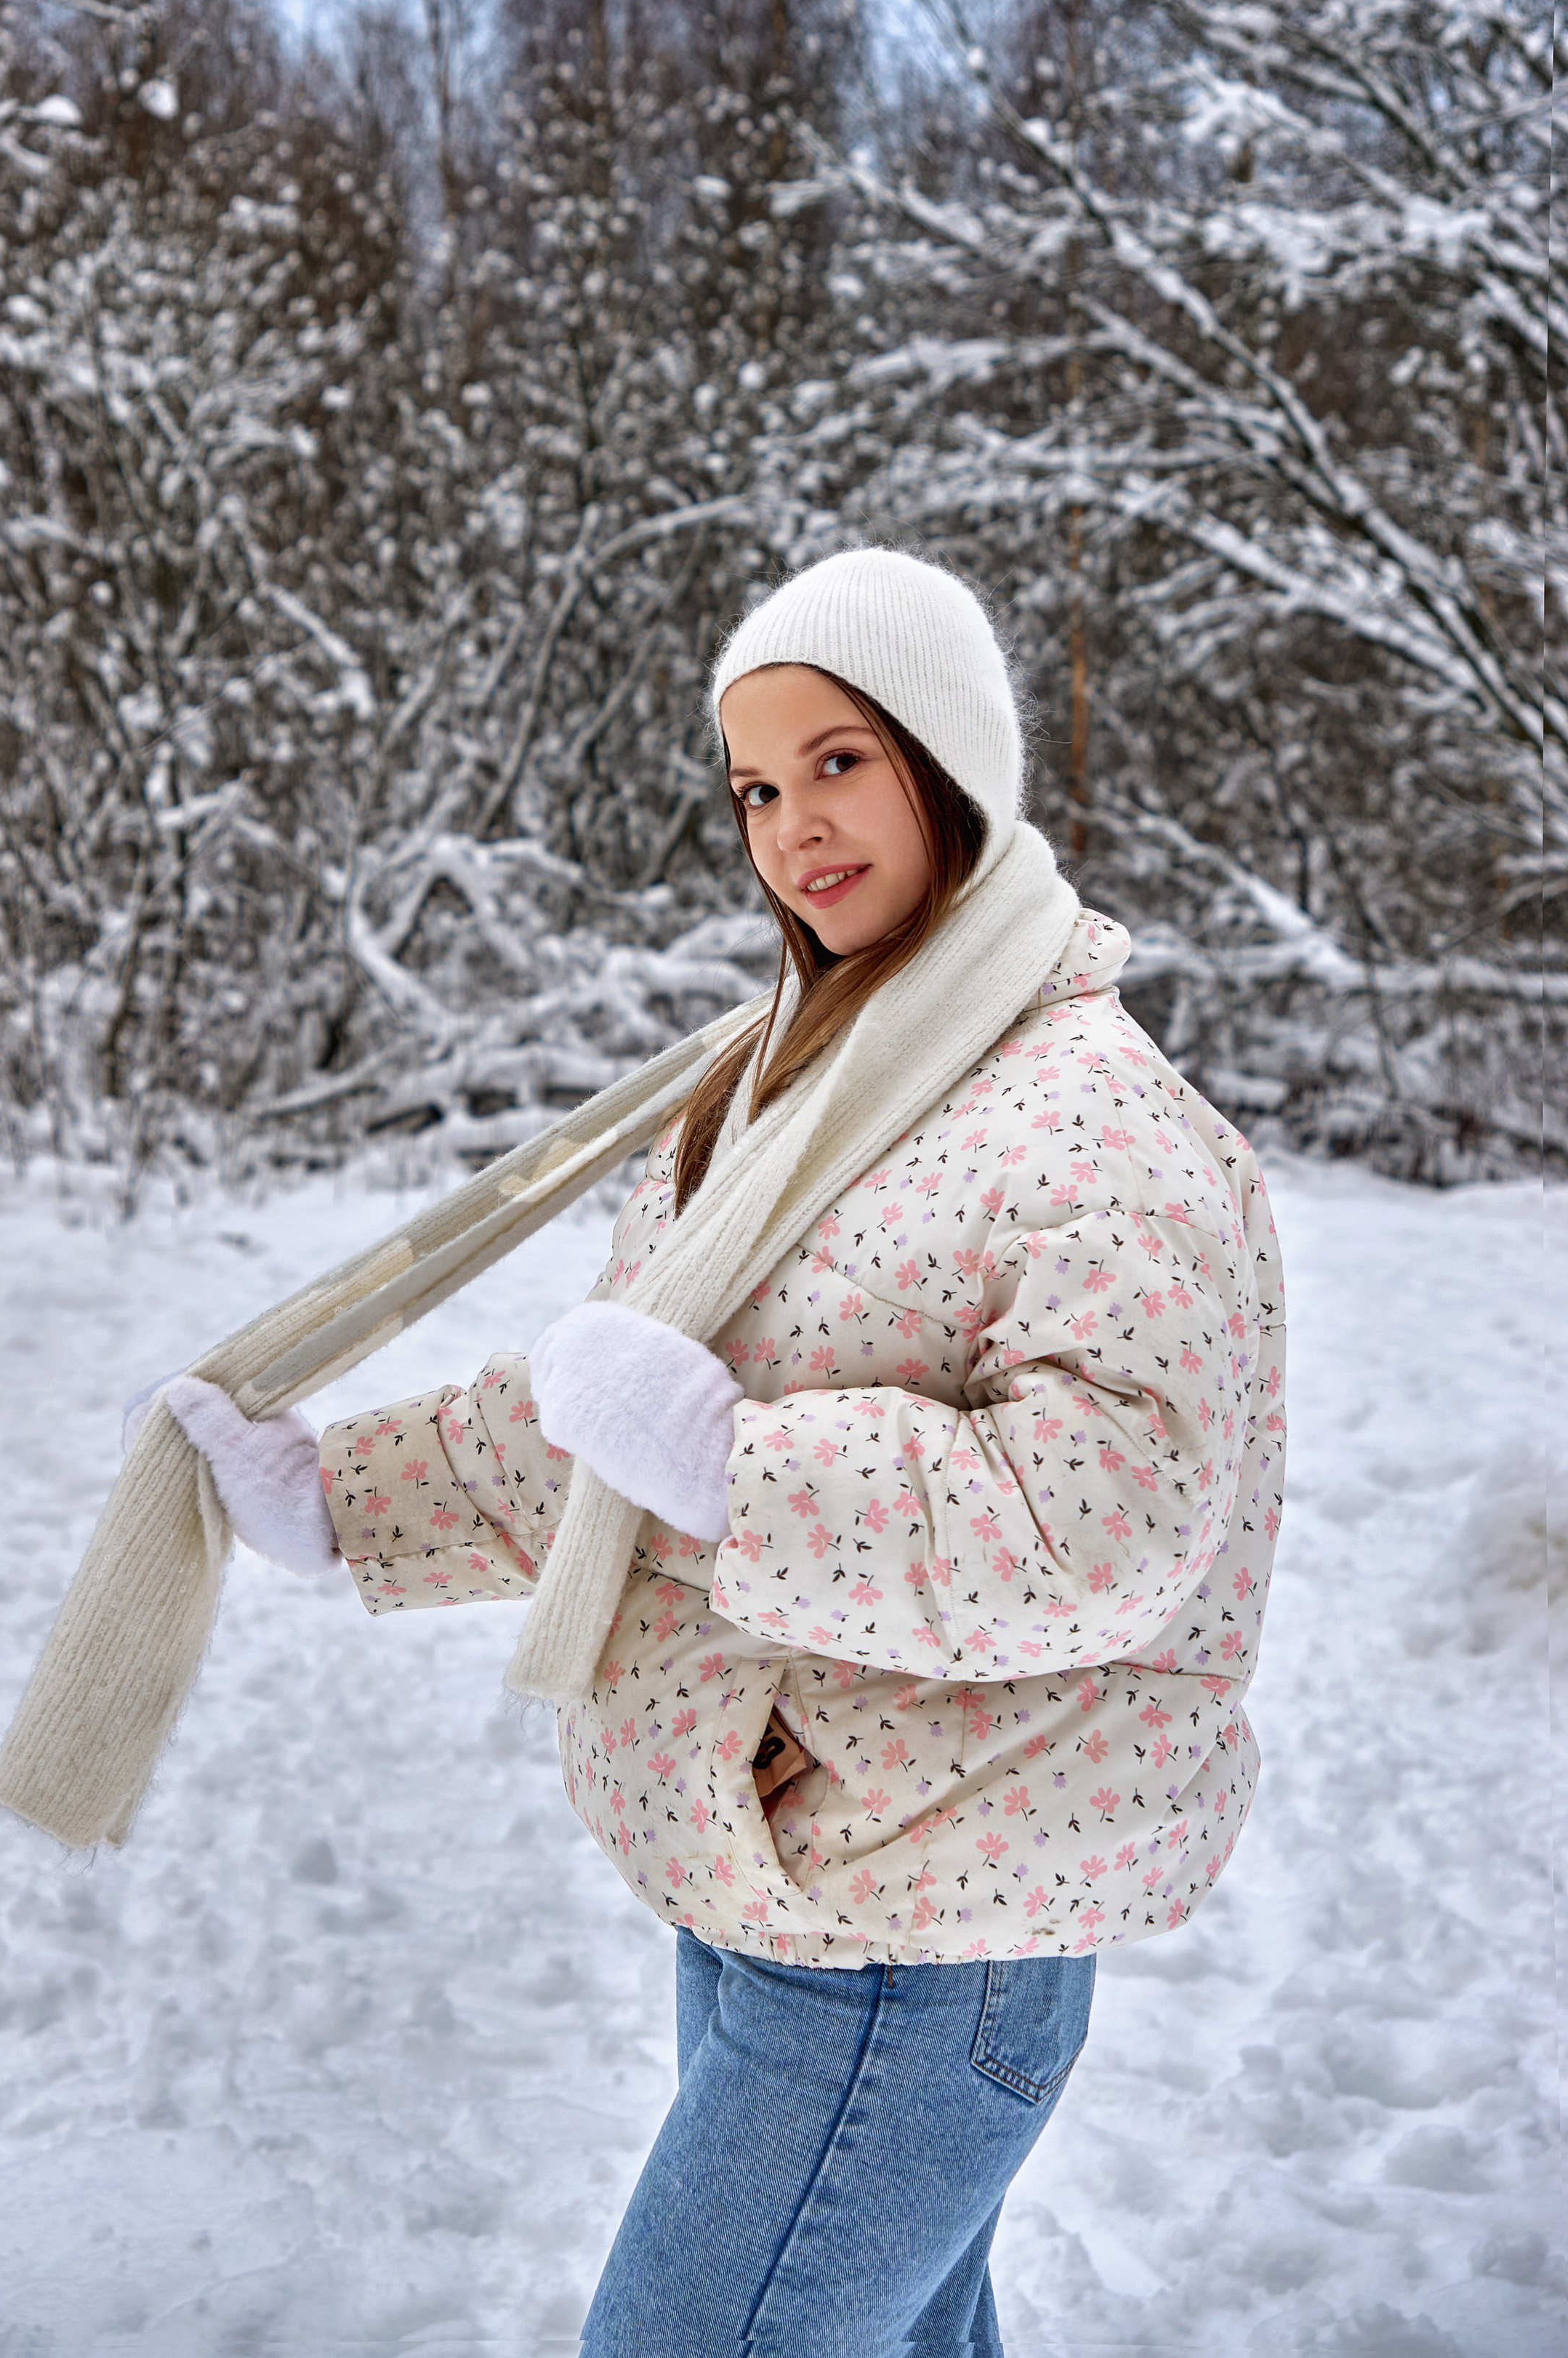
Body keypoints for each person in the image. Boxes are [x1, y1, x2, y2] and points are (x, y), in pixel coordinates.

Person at [154, 549, 1287, 2357]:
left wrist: (743, 1469)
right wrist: (343, 1499)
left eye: (837, 762)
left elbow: (1108, 1526)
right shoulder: (789, 1079)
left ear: (948, 760)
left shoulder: (1093, 1125)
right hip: (784, 1888)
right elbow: (620, 1421)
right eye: (756, 787)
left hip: (920, 1933)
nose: (791, 829)